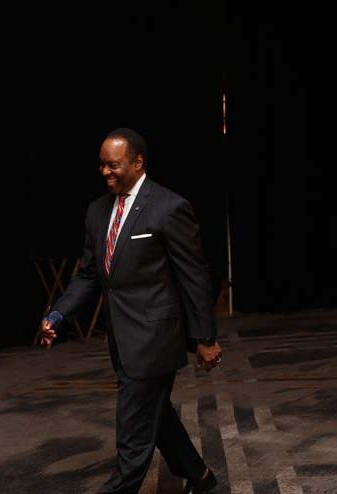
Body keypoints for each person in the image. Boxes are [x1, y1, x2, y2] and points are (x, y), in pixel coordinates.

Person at [40, 127, 222, 494]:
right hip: (122, 339)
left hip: (156, 338)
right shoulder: (97, 211)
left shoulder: (169, 207)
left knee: (134, 435)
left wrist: (205, 338)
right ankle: (200, 476)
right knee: (157, 415)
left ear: (138, 163)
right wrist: (58, 314)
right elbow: (90, 275)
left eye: (114, 165)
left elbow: (194, 277)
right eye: (102, 165)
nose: (105, 172)